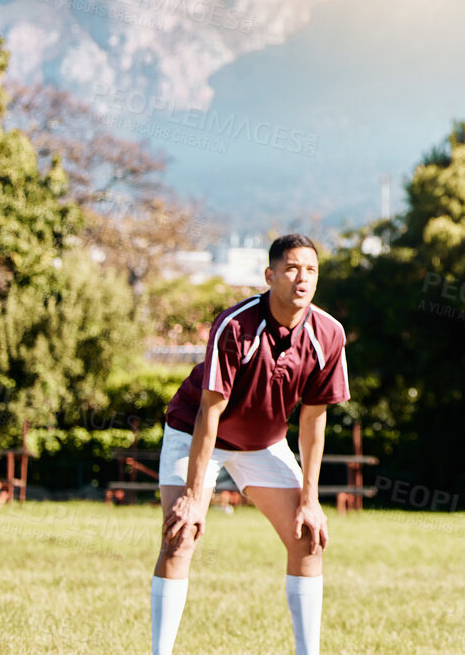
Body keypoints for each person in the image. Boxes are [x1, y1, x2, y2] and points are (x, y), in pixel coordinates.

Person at [151, 234, 349, 655]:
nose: (302, 278)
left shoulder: (328, 334)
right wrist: (191, 494)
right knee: (179, 534)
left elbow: (314, 420)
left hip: (263, 445)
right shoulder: (235, 325)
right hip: (197, 433)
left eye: (311, 270)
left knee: (308, 538)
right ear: (270, 275)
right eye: (292, 268)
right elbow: (210, 411)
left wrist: (310, 500)